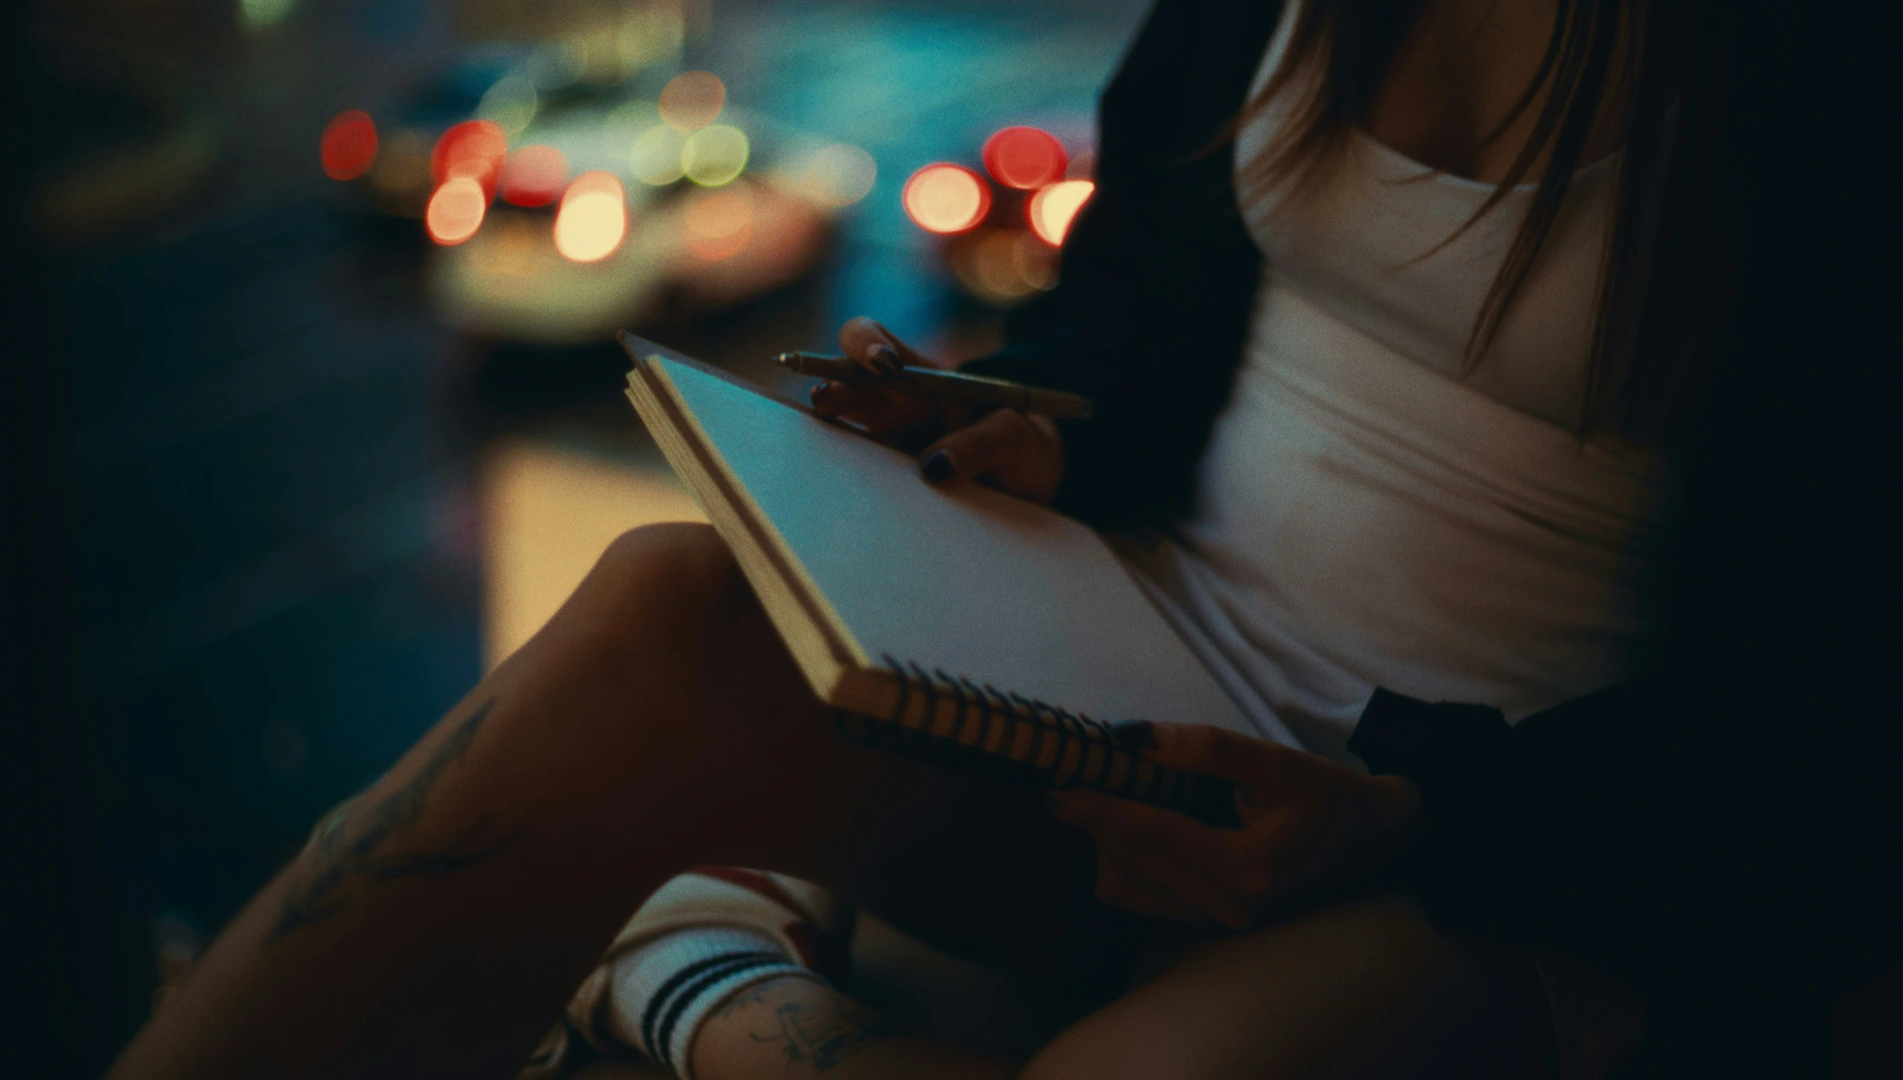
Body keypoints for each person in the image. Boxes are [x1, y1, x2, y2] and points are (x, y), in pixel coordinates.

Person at [107, 0, 1898, 1078]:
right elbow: (1153, 314)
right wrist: (1024, 416)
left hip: (1503, 837)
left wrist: (1415, 817)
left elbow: (1835, 724)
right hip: (1145, 674)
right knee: (665, 607)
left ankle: (689, 980)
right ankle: (699, 978)